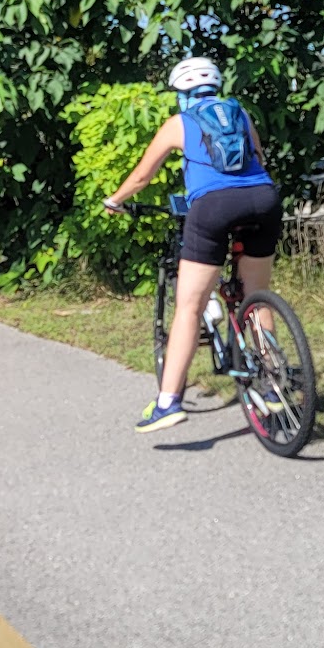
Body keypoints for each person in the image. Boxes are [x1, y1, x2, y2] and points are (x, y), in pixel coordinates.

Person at [103, 57, 282, 433]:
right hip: (264, 198)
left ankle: (168, 403)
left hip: (213, 207)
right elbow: (259, 157)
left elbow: (141, 176)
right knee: (258, 292)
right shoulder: (240, 113)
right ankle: (274, 382)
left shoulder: (178, 123)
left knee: (189, 306)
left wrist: (114, 201)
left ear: (181, 93)